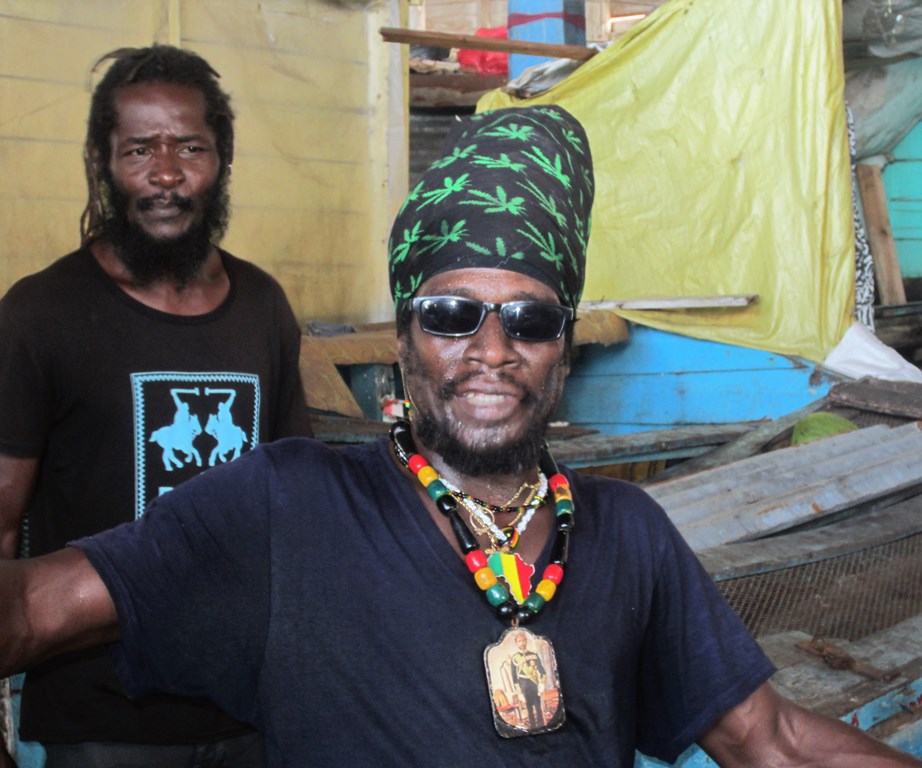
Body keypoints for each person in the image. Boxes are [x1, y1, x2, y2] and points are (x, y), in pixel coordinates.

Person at [0, 105, 919, 768]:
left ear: (563, 346)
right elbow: (36, 610)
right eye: (450, 314)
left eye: (530, 319)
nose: (491, 349)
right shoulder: (289, 504)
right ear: (403, 341)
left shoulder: (627, 531)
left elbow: (771, 739)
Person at [0, 45, 312, 767]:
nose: (165, 174)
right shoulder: (40, 314)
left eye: (190, 149)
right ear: (102, 162)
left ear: (224, 160)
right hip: (102, 724)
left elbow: (297, 505)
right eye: (139, 149)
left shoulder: (263, 306)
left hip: (245, 709)